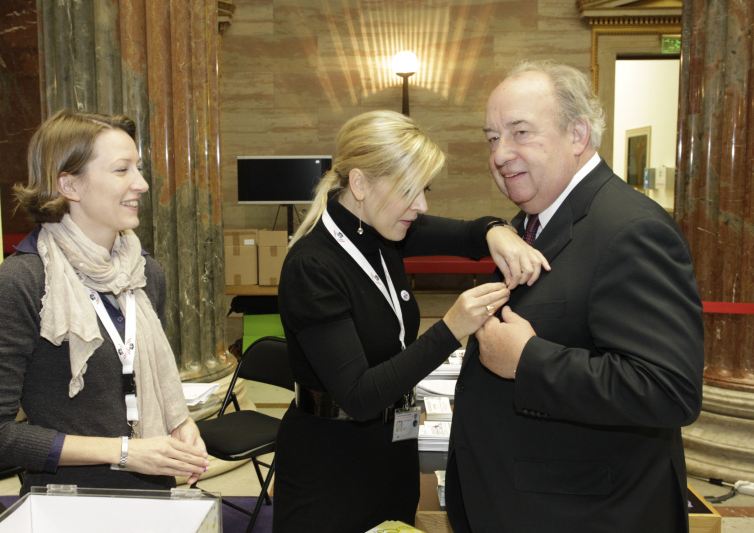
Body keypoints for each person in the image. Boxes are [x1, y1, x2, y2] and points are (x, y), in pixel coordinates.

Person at [446, 60, 705, 532]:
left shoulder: (631, 230)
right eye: (492, 138)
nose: (500, 154)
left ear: (578, 135)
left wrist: (528, 361)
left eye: (520, 133)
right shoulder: (531, 222)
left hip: (588, 516)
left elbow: (668, 390)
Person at [274, 109, 549, 531]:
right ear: (360, 184)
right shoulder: (313, 265)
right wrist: (452, 328)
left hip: (393, 451)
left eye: (424, 188)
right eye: (408, 190)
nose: (421, 206)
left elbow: (469, 233)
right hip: (330, 467)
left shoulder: (383, 228)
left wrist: (497, 231)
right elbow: (359, 396)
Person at [0, 110, 209, 493]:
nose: (142, 184)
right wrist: (122, 452)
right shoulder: (21, 283)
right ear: (70, 185)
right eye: (122, 170)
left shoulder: (145, 273)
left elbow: (140, 381)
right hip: (69, 500)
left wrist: (181, 423)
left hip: (153, 488)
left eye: (138, 168)